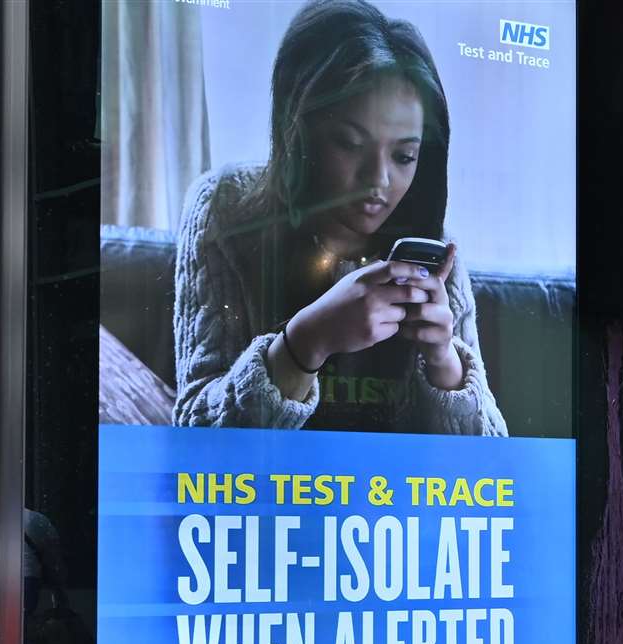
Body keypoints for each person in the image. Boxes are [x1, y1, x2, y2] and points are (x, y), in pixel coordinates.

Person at [174, 0, 506, 435]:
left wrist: (445, 361)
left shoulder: (432, 248)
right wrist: (305, 342)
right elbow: (192, 436)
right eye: (350, 145)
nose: (379, 181)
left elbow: (494, 468)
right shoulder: (224, 208)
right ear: (298, 130)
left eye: (405, 155)